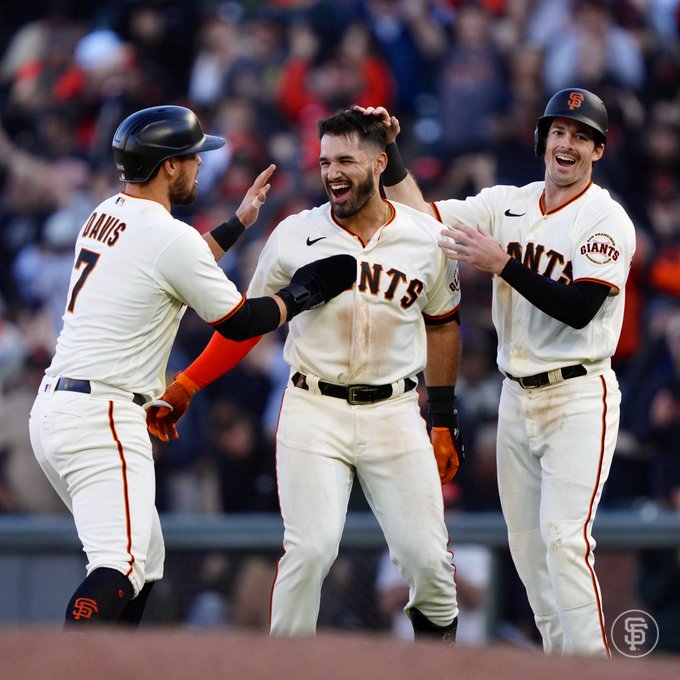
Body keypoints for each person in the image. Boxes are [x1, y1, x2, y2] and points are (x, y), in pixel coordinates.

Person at [28, 104, 356, 628]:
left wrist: (237, 225)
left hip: (59, 409)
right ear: (169, 166)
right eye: (192, 156)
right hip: (102, 414)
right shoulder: (167, 237)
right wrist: (304, 292)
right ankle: (73, 660)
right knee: (120, 565)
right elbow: (241, 321)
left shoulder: (107, 211)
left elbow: (171, 264)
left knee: (143, 562)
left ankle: (106, 660)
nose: (201, 164)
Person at [146, 108, 463, 642]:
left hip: (394, 411)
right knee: (309, 551)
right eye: (324, 161)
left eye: (346, 160)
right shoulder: (295, 234)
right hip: (313, 407)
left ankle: (441, 667)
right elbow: (246, 324)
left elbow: (444, 327)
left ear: (379, 163)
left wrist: (443, 420)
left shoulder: (426, 237)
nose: (332, 172)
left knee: (429, 561)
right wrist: (188, 383)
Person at [359, 88, 636, 656]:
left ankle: (594, 667)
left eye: (580, 136)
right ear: (542, 139)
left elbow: (580, 308)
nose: (567, 143)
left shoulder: (606, 218)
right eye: (559, 131)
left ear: (597, 151)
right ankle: (561, 663)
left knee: (565, 541)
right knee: (530, 553)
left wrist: (503, 264)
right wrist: (394, 153)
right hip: (517, 395)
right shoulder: (507, 203)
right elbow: (423, 218)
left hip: (579, 393)